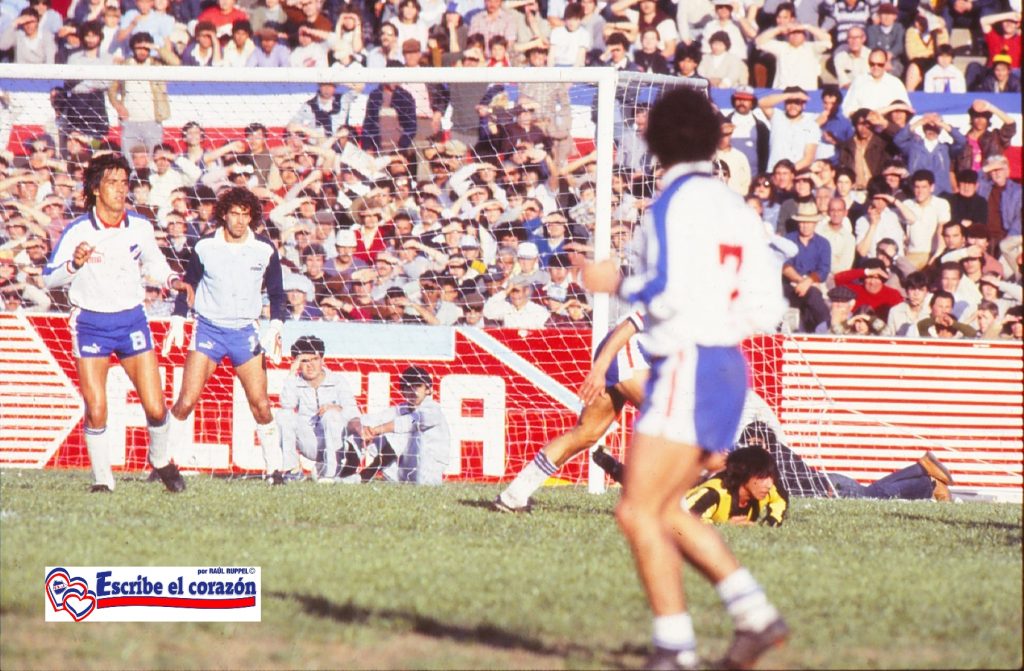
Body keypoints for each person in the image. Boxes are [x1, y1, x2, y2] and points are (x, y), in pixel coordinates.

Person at [582, 89, 788, 671]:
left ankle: (675, 648)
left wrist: (612, 282)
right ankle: (755, 618)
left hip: (688, 362)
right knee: (666, 507)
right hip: (727, 364)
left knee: (637, 511)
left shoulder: (673, 201)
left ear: (655, 140)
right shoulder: (734, 205)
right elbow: (767, 304)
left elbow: (664, 288)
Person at [42, 153, 193, 493]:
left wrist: (171, 280)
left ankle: (159, 460)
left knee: (156, 408)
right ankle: (102, 480)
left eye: (124, 183)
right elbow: (49, 279)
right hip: (91, 324)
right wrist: (74, 265)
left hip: (131, 321)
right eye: (112, 182)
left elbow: (155, 263)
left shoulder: (139, 226)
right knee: (97, 408)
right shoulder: (78, 230)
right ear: (96, 189)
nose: (120, 189)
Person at [162, 186, 290, 484]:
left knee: (261, 404)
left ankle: (275, 469)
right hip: (208, 329)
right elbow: (189, 284)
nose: (240, 221)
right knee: (186, 400)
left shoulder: (264, 249)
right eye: (235, 214)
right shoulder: (205, 245)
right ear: (224, 214)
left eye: (246, 215)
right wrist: (179, 318)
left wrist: (276, 326)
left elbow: (277, 293)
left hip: (245, 332)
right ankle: (163, 463)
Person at [494, 311, 649, 512]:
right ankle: (669, 501)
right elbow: (629, 324)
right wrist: (599, 370)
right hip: (625, 350)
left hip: (627, 356)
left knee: (586, 434)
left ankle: (513, 496)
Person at [277, 335, 361, 481]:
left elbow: (354, 414)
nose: (310, 365)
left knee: (331, 415)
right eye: (304, 361)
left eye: (314, 359)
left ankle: (331, 474)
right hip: (309, 441)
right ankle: (292, 470)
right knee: (282, 415)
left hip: (336, 443)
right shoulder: (295, 382)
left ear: (322, 359)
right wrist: (291, 374)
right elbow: (287, 405)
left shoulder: (337, 381)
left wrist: (337, 408)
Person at [348, 366, 451, 485]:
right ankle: (348, 473)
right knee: (364, 431)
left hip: (428, 471)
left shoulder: (433, 409)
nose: (413, 391)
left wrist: (376, 430)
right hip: (404, 473)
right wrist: (362, 430)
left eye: (417, 386)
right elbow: (363, 420)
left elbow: (409, 422)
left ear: (428, 389)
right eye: (408, 387)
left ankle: (366, 474)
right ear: (403, 391)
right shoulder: (401, 409)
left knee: (401, 431)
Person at [684, 447, 788, 526]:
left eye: (771, 477)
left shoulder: (767, 490)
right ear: (744, 473)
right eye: (763, 477)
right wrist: (724, 525)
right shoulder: (714, 493)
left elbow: (780, 499)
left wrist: (772, 520)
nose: (769, 484)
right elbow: (685, 516)